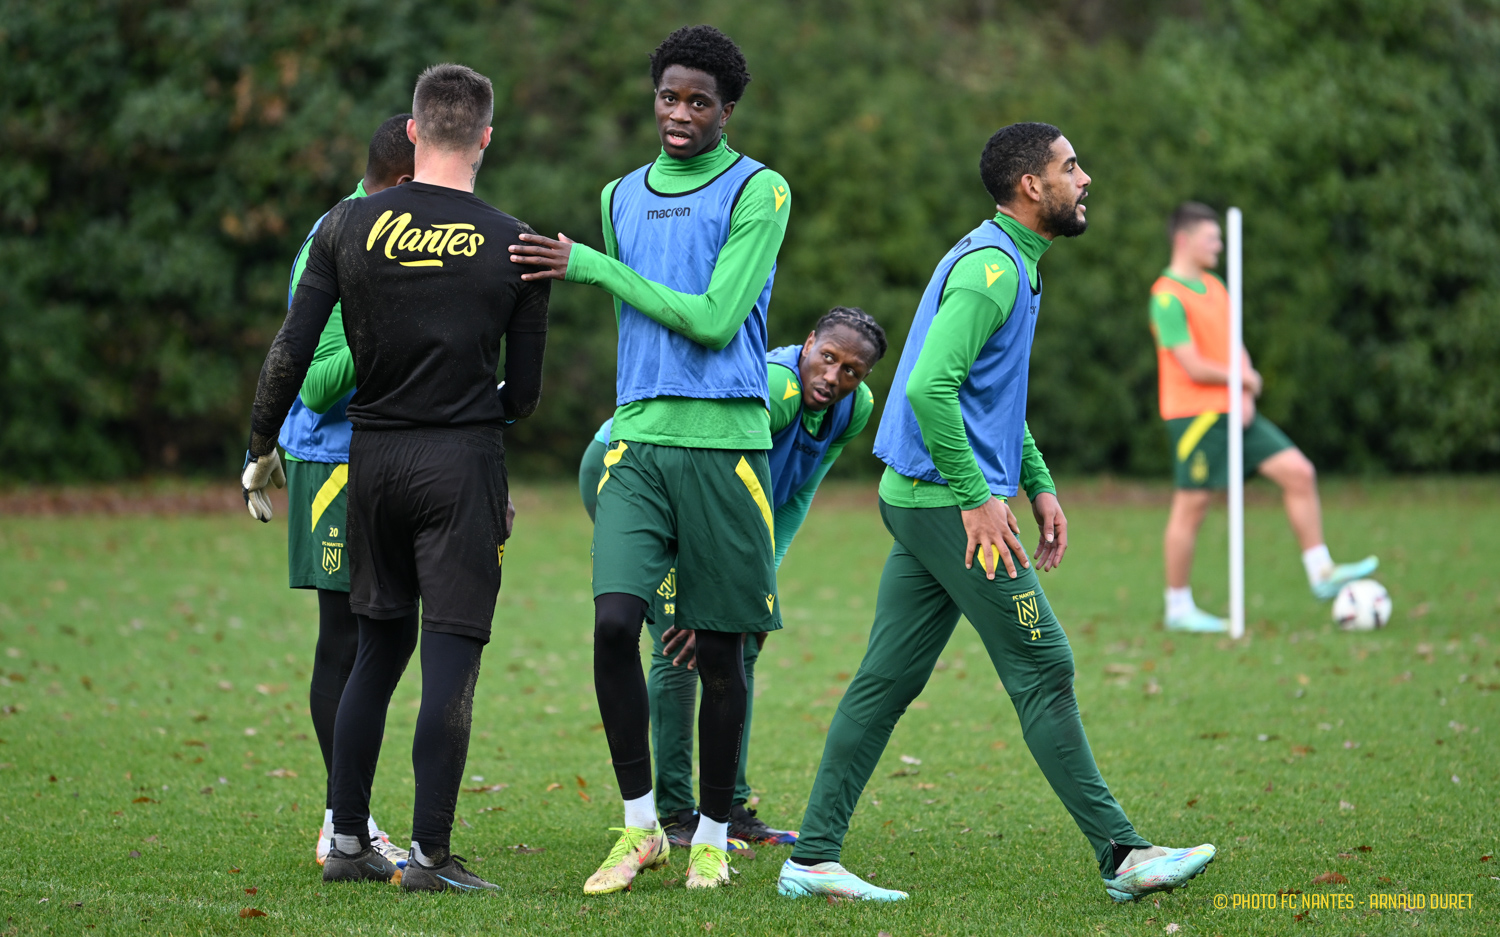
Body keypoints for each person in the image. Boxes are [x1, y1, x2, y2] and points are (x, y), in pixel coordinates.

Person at [776, 123, 1216, 903]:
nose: (1085, 178)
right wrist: (979, 499)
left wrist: (1036, 482)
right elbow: (927, 389)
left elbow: (989, 399)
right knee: (1044, 665)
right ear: (1030, 186)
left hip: (922, 498)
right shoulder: (993, 271)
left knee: (884, 681)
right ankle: (1124, 853)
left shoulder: (1011, 261)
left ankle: (811, 859)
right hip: (944, 504)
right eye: (1070, 167)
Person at [242, 63, 549, 892]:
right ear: (485, 137)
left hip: (370, 461)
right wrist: (466, 410)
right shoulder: (517, 243)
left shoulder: (346, 225)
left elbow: (291, 349)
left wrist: (260, 441)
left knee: (375, 647)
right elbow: (523, 396)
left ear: (413, 132)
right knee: (450, 652)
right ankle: (430, 857)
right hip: (460, 464)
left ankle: (346, 839)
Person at [510, 25, 790, 892]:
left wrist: (593, 267)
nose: (680, 113)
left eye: (699, 101)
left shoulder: (761, 189)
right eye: (669, 96)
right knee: (612, 625)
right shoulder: (618, 195)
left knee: (721, 655)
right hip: (636, 440)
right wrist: (598, 266)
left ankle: (711, 834)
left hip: (725, 446)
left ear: (727, 110)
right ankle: (641, 827)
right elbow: (642, 321)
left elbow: (713, 320)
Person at [577, 307, 886, 855]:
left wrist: (758, 580)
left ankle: (729, 810)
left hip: (722, 501)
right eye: (827, 358)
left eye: (851, 371)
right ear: (808, 343)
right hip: (638, 469)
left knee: (738, 644)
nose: (833, 377)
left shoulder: (853, 409)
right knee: (680, 644)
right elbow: (704, 469)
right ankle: (675, 813)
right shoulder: (777, 389)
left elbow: (794, 496)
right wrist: (699, 589)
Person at [276, 113, 415, 873]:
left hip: (386, 461)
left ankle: (349, 820)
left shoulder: (397, 235)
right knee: (346, 640)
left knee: (384, 635)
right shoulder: (333, 238)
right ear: (405, 180)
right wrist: (397, 323)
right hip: (331, 463)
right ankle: (342, 825)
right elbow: (318, 384)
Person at [1150, 202, 1378, 633]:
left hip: (1236, 410)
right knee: (1192, 507)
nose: (1218, 245)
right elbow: (1191, 364)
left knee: (1299, 472)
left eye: (1220, 238)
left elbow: (1234, 345)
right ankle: (1178, 606)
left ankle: (1321, 570)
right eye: (1210, 238)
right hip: (1195, 417)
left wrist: (1245, 391)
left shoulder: (1216, 287)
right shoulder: (1166, 296)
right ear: (1183, 240)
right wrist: (1242, 379)